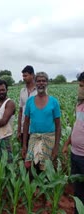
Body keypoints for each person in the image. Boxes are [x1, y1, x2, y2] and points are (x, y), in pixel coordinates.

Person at [22, 72, 61, 171]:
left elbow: (58, 126)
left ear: (47, 83)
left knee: (47, 168)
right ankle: (34, 186)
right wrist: (24, 145)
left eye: (43, 81)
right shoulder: (30, 101)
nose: (41, 83)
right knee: (29, 166)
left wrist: (56, 147)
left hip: (49, 138)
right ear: (35, 83)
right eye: (38, 81)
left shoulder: (54, 102)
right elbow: (26, 123)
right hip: (34, 138)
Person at [62, 71, 84, 213]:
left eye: (82, 86)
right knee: (78, 190)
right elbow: (76, 126)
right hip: (75, 154)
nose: (80, 89)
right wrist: (66, 144)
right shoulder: (79, 105)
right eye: (80, 86)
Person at [17, 65, 37, 146]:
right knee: (24, 152)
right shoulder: (22, 91)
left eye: (26, 75)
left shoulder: (39, 91)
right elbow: (20, 111)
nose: (24, 78)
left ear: (32, 75)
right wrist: (18, 130)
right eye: (23, 76)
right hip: (23, 129)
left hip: (35, 129)